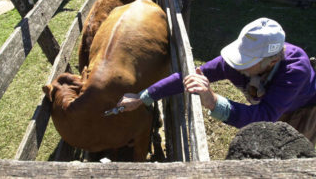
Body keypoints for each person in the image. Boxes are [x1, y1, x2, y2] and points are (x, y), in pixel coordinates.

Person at [117, 17, 316, 146]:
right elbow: (187, 78)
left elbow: (264, 117)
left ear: (271, 62)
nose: (237, 66)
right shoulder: (236, 63)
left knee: (290, 150)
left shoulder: (295, 70)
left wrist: (213, 101)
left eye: (246, 62)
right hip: (272, 106)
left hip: (303, 111)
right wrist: (143, 97)